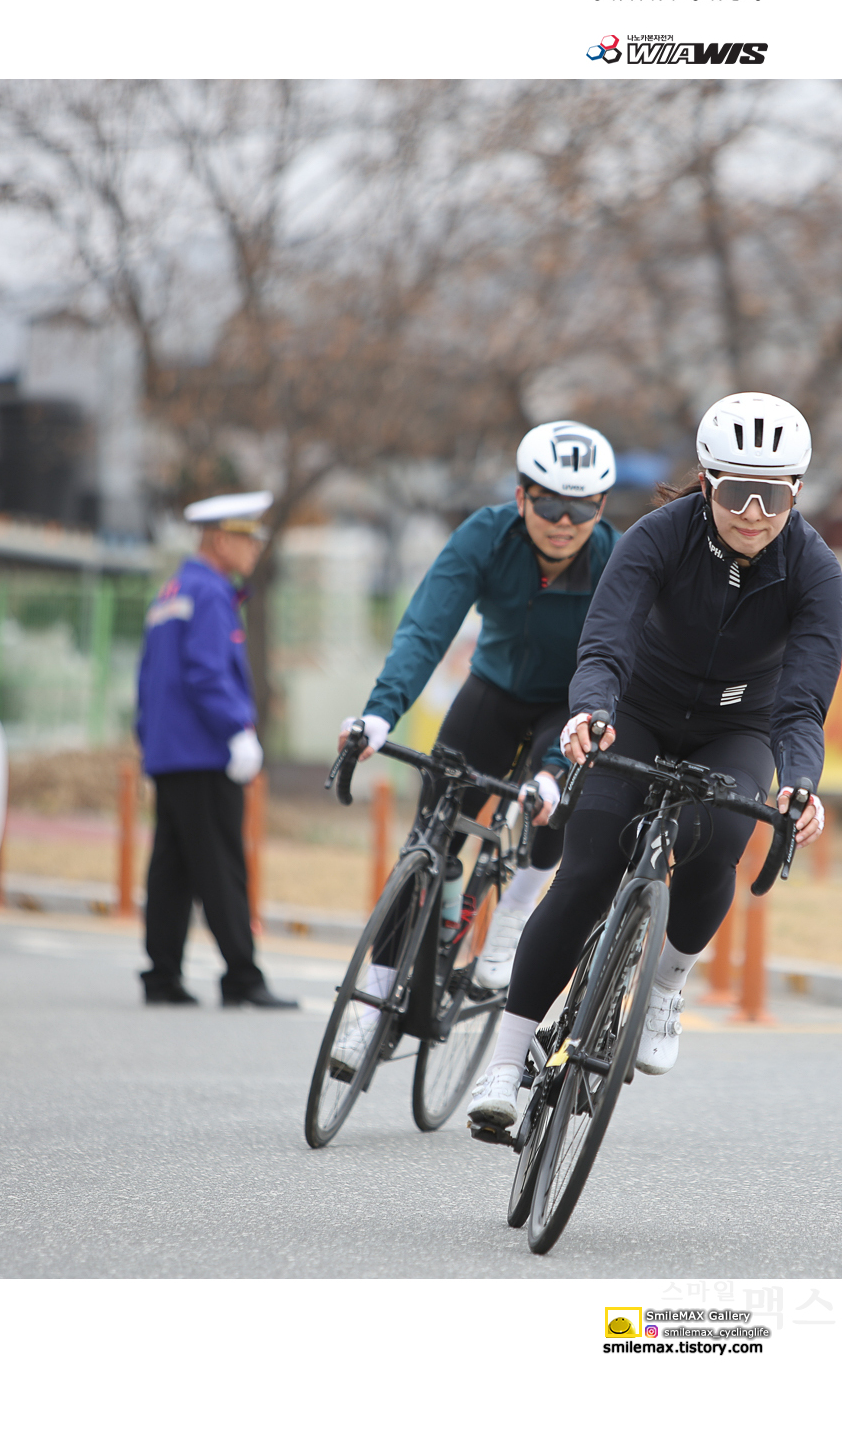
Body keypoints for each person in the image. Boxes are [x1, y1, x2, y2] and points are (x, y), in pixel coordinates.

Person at [467, 393, 842, 1128]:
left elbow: (802, 703)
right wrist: (590, 712)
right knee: (585, 874)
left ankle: (667, 986)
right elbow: (606, 642)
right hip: (637, 711)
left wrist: (801, 781)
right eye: (737, 493)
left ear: (797, 493)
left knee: (720, 842)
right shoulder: (658, 536)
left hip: (738, 726)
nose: (755, 513)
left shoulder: (815, 572)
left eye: (773, 497)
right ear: (707, 483)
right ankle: (504, 1063)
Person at [330, 422, 619, 1071]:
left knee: (556, 801)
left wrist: (558, 766)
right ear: (520, 497)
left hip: (569, 703)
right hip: (492, 690)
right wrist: (380, 713)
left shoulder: (615, 559)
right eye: (549, 504)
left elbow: (625, 665)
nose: (564, 522)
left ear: (602, 508)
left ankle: (513, 914)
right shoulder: (485, 535)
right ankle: (370, 1006)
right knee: (428, 838)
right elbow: (426, 628)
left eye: (581, 508)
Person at [135, 491, 296, 1010]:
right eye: (248, 538)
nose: (256, 548)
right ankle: (242, 976)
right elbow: (207, 673)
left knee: (172, 869)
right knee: (221, 865)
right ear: (221, 539)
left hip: (169, 752)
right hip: (204, 751)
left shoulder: (172, 590)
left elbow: (148, 678)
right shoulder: (209, 593)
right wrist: (236, 730)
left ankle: (161, 975)